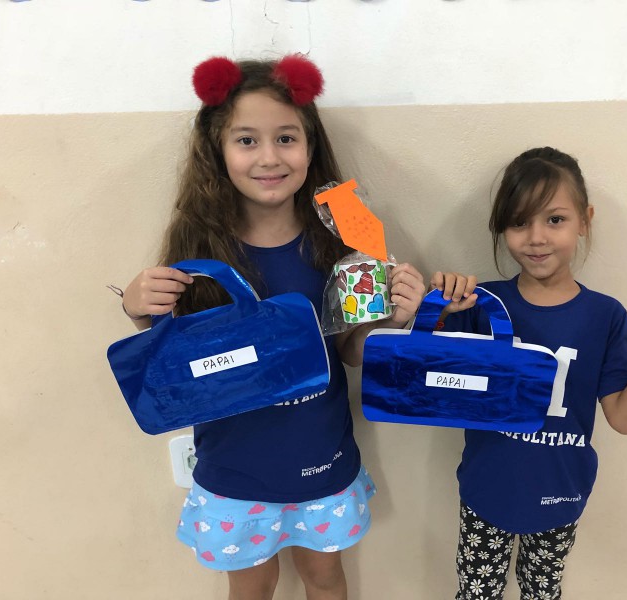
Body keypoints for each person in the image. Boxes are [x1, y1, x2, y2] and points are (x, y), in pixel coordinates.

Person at [119, 55, 425, 600]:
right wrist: (141, 311)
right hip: (233, 467)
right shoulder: (198, 247)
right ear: (217, 149)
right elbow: (176, 363)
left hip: (321, 456)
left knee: (325, 578)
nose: (268, 157)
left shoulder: (342, 240)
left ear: (310, 146)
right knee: (251, 586)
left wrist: (395, 321)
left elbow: (351, 351)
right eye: (246, 140)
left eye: (286, 138)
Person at [431, 146, 627, 600]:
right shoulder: (482, 305)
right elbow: (427, 381)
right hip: (485, 490)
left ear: (584, 221)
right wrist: (437, 312)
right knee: (476, 594)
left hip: (560, 495)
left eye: (555, 219)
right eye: (519, 222)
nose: (536, 238)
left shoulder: (605, 317)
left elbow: (624, 417)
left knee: (543, 592)